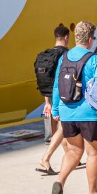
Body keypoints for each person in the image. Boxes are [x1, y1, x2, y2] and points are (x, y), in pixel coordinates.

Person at [49, 21, 97, 194]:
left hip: (67, 111)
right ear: (90, 39)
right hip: (90, 113)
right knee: (93, 153)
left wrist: (56, 109)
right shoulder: (95, 60)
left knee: (73, 150)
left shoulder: (64, 58)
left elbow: (56, 86)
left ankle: (59, 180)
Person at [36, 24, 70, 174]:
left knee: (61, 129)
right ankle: (46, 158)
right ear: (67, 37)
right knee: (63, 128)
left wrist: (47, 102)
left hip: (50, 96)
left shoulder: (47, 54)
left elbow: (48, 81)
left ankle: (70, 156)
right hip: (62, 97)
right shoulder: (67, 55)